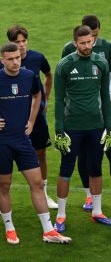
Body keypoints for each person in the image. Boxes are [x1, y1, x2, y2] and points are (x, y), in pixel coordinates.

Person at [61, 15, 111, 218]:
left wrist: (109, 98)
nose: (90, 44)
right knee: (84, 156)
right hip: (81, 115)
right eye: (85, 40)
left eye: (93, 38)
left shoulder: (108, 47)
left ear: (98, 32)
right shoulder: (69, 50)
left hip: (104, 112)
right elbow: (65, 80)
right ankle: (89, 196)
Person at [0, 42, 71, 244]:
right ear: (2, 60)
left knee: (37, 183)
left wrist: (31, 120)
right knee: (4, 185)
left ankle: (48, 231)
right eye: (10, 59)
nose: (15, 62)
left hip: (23, 141)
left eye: (17, 58)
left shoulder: (28, 76)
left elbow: (37, 94)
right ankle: (10, 227)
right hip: (2, 142)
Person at [54, 25, 111, 233]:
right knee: (66, 169)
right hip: (72, 127)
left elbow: (106, 98)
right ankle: (61, 215)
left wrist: (110, 126)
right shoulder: (64, 65)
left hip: (96, 126)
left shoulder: (101, 62)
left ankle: (97, 212)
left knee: (96, 167)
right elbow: (59, 100)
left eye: (90, 42)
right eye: (83, 43)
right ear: (75, 43)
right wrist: (59, 129)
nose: (87, 46)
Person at [2, 25, 57, 209]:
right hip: (10, 122)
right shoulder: (4, 65)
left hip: (36, 117)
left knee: (41, 153)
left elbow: (49, 75)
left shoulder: (37, 58)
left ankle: (45, 193)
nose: (22, 45)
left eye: (24, 41)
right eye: (17, 42)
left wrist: (46, 99)